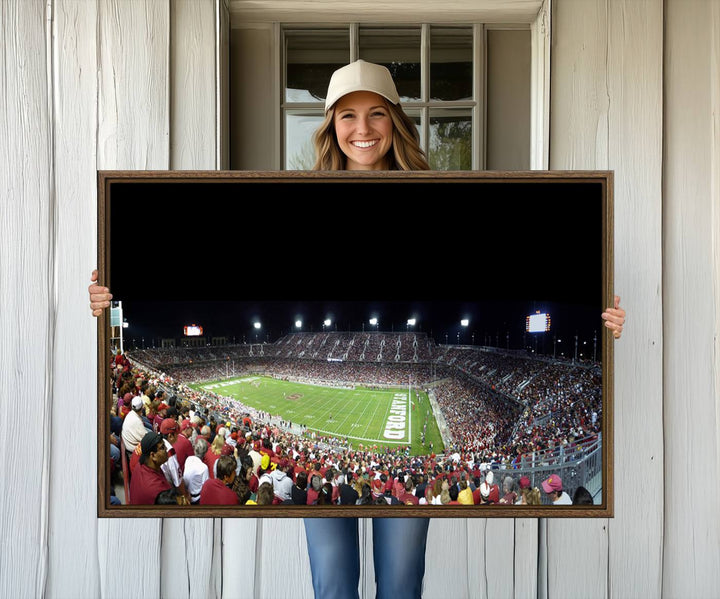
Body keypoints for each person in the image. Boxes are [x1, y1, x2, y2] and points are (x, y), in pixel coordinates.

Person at [88, 58, 627, 599]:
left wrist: (599, 314)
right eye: (347, 116)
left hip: (396, 436)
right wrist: (113, 293)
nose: (362, 129)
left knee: (399, 585)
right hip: (329, 471)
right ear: (331, 126)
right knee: (333, 586)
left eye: (375, 114)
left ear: (395, 120)